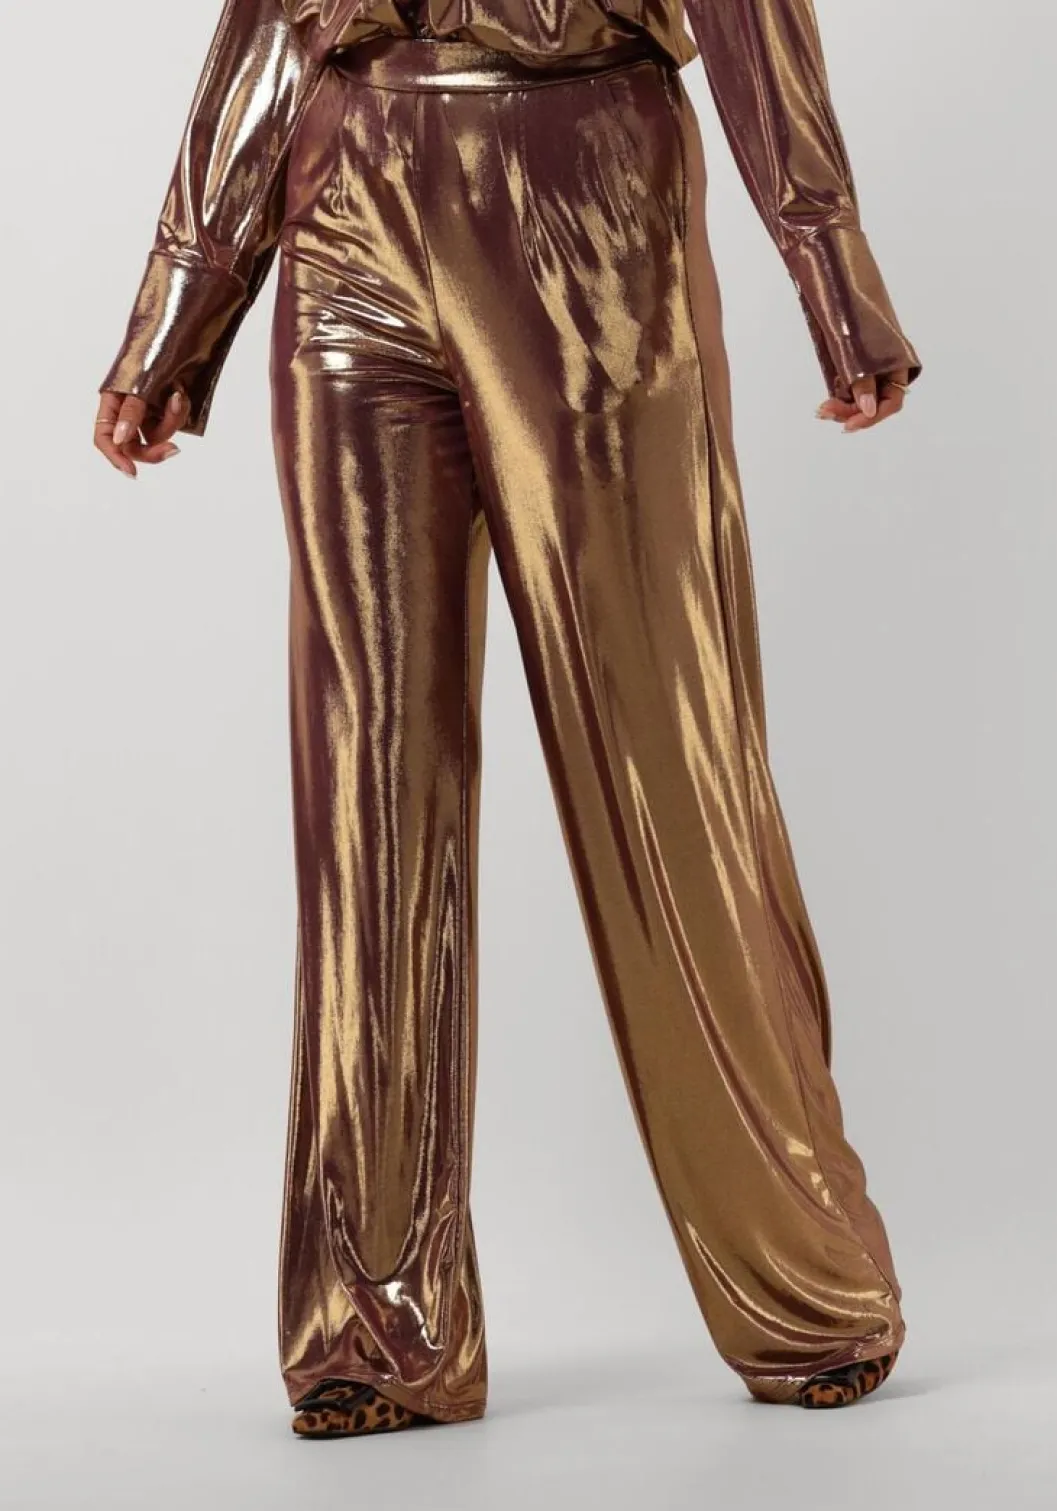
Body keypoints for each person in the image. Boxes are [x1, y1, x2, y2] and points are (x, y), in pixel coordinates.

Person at [94, 0, 920, 1437]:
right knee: (366, 786)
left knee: (665, 758)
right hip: (344, 204)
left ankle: (808, 1281)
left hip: (584, 196)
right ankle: (379, 1324)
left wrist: (830, 268)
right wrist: (182, 304)